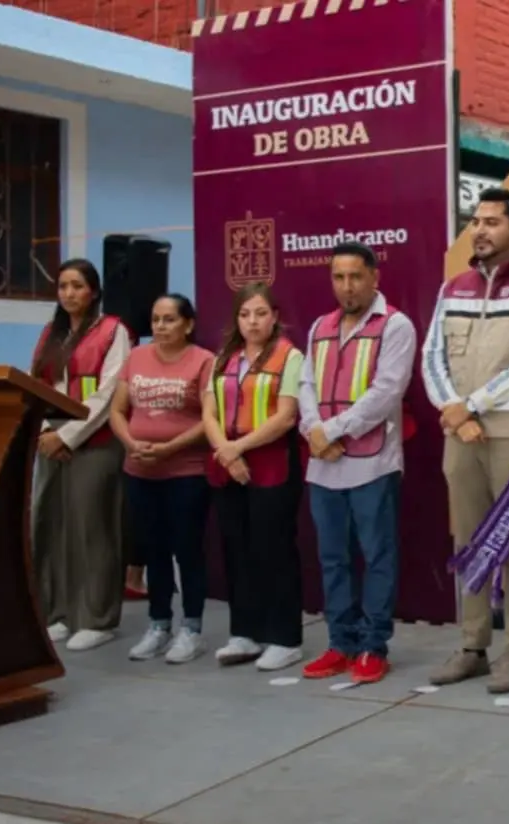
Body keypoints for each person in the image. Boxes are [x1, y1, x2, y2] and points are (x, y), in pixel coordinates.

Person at [423, 187, 509, 695]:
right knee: (469, 540)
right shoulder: (452, 287)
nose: (480, 230)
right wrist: (455, 413)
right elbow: (431, 357)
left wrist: (473, 405)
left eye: (492, 222)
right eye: (476, 221)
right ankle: (472, 647)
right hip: (460, 430)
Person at [298, 242, 417, 684]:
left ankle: (373, 645)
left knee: (377, 555)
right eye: (338, 277)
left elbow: (386, 392)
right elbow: (305, 383)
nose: (347, 286)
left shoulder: (396, 325)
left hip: (373, 464)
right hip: (323, 463)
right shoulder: (319, 326)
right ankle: (340, 643)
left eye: (355, 277)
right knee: (332, 559)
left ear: (374, 278)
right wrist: (313, 429)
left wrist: (330, 431)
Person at [31, 258, 135, 651]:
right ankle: (57, 613)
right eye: (63, 286)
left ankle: (96, 617)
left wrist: (69, 436)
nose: (69, 293)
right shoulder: (50, 334)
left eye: (77, 286)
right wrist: (44, 431)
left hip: (94, 441)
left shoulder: (113, 332)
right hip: (49, 440)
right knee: (51, 525)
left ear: (93, 291)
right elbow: (37, 384)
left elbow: (109, 393)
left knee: (92, 527)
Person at [203, 282, 307, 672]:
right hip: (227, 465)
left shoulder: (289, 357)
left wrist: (239, 448)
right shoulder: (222, 358)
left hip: (271, 463)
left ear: (274, 316)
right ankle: (244, 633)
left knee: (274, 548)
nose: (252, 321)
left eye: (260, 313)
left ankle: (284, 637)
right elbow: (209, 413)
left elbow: (286, 416)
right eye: (245, 314)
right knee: (236, 548)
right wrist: (226, 452)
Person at [111, 294, 216, 664]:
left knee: (186, 549)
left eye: (169, 320)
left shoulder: (203, 361)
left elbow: (209, 420)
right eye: (155, 319)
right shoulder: (137, 357)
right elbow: (118, 410)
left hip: (185, 472)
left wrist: (169, 447)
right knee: (152, 548)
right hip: (139, 470)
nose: (160, 327)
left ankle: (191, 629)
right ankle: (158, 624)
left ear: (188, 324)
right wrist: (129, 442)